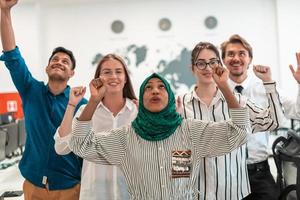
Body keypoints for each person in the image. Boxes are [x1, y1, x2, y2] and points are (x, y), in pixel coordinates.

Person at [68, 68, 250, 199]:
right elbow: (80, 144)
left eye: (161, 87)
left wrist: (225, 87)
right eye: (148, 87)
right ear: (141, 97)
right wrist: (94, 101)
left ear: (170, 96)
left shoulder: (191, 131)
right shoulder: (125, 138)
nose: (155, 90)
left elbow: (239, 132)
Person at [0, 0, 87, 199]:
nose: (59, 62)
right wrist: (4, 12)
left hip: (69, 187)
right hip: (33, 184)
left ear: (72, 73)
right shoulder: (31, 89)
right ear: (47, 68)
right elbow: (12, 55)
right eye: (54, 60)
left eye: (65, 61)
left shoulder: (80, 104)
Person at [181, 41, 284, 200]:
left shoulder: (239, 101)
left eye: (213, 62)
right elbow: (179, 152)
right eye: (201, 63)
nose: (208, 68)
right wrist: (178, 189)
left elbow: (273, 122)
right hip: (196, 194)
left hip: (233, 194)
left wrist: (268, 83)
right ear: (192, 68)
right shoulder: (180, 105)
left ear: (220, 66)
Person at [220, 34, 300, 200]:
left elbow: (297, 112)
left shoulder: (266, 87)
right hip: (226, 175)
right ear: (223, 60)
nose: (236, 58)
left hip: (260, 174)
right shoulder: (216, 92)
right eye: (230, 54)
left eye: (242, 53)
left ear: (250, 59)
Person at [54, 54, 138, 200]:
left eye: (118, 72)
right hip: (95, 194)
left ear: (125, 79)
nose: (113, 76)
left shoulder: (138, 112)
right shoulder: (86, 112)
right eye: (107, 72)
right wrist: (72, 104)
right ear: (98, 79)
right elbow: (61, 148)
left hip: (130, 193)